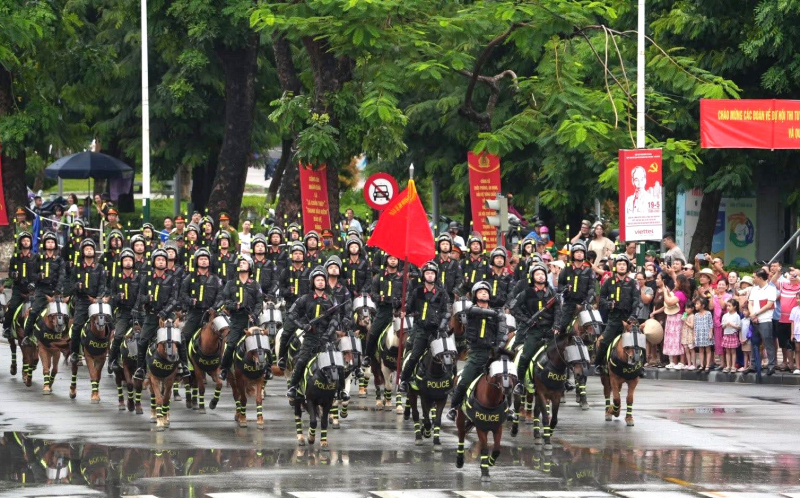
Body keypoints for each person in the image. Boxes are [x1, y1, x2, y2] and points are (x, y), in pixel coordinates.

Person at [283, 267, 339, 400]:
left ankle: (341, 390)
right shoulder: (304, 298)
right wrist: (303, 325)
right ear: (313, 282)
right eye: (317, 280)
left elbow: (336, 318)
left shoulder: (331, 300)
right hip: (310, 337)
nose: (320, 282)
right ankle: (293, 387)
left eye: (322, 280)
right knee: (301, 361)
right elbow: (291, 314)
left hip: (327, 338)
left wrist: (328, 333)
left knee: (337, 362)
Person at [133, 249, 187, 381]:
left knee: (181, 338)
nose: (161, 261)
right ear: (154, 261)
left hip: (168, 315)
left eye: (163, 259)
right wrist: (147, 299)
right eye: (158, 259)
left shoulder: (172, 279)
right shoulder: (146, 278)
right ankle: (141, 368)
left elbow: (174, 299)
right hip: (151, 316)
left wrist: (165, 312)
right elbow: (140, 296)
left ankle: (183, 365)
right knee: (142, 341)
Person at [398, 261, 450, 393]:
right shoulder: (417, 291)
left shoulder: (442, 293)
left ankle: (451, 382)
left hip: (436, 332)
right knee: (414, 356)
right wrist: (404, 311)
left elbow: (446, 312)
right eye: (428, 273)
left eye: (433, 273)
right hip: (421, 330)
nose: (430, 276)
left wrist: (442, 326)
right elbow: (409, 307)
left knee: (447, 355)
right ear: (423, 275)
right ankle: (404, 380)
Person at [509, 263, 561, 394]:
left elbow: (558, 311)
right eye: (537, 274)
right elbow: (513, 307)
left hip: (550, 331)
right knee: (525, 357)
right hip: (534, 331)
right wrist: (526, 320)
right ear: (532, 277)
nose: (541, 276)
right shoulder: (526, 293)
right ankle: (520, 383)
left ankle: (565, 382)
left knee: (561, 355)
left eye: (543, 274)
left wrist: (556, 326)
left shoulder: (552, 293)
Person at [218, 256, 263, 381]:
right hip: (237, 320)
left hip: (252, 320)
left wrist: (254, 314)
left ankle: (268, 368)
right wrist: (235, 305)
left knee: (263, 344)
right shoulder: (230, 283)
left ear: (250, 266)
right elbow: (225, 301)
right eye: (240, 263)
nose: (242, 264)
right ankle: (224, 368)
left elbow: (260, 302)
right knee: (231, 344)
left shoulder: (255, 284)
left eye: (244, 262)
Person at [596, 255, 641, 373]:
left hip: (629, 319)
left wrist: (633, 316)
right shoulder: (608, 281)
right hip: (614, 318)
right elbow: (601, 300)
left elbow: (637, 301)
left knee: (639, 339)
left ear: (627, 267)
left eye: (624, 264)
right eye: (619, 264)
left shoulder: (633, 283)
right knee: (604, 341)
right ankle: (598, 364)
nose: (622, 266)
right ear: (616, 266)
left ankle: (640, 367)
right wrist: (608, 304)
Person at [68, 239, 108, 365]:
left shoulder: (100, 267)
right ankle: (75, 353)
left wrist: (99, 297)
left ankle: (106, 351)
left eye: (91, 248)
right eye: (86, 249)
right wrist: (77, 286)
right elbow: (70, 285)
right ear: (83, 252)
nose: (89, 250)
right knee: (77, 326)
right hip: (82, 301)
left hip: (97, 301)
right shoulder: (77, 267)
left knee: (108, 324)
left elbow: (103, 284)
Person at [22, 232, 66, 341]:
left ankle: (66, 339)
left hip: (55, 292)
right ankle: (27, 336)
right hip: (42, 291)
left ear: (55, 244)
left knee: (65, 313)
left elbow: (62, 275)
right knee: (33, 312)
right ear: (44, 244)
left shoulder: (59, 259)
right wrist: (38, 277)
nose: (50, 244)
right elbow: (32, 274)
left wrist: (57, 289)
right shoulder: (38, 258)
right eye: (48, 242)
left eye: (52, 242)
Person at [364, 254, 403, 365]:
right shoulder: (379, 276)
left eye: (395, 258)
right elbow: (372, 292)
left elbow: (408, 293)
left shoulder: (402, 277)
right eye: (391, 258)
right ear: (386, 260)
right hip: (383, 310)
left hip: (398, 311)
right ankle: (367, 356)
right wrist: (379, 298)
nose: (393, 261)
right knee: (373, 332)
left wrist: (400, 301)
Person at [179, 247, 224, 344]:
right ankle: (183, 359)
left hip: (211, 314)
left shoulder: (216, 279)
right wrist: (190, 301)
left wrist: (214, 308)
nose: (204, 261)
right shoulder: (190, 277)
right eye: (201, 259)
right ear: (196, 261)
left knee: (225, 336)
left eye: (206, 259)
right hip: (194, 313)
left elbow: (221, 296)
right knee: (183, 338)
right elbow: (183, 294)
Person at [107, 248, 142, 373]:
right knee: (118, 336)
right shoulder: (116, 278)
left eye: (129, 260)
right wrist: (117, 297)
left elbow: (140, 295)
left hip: (138, 312)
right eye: (125, 260)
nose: (128, 262)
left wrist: (137, 308)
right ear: (122, 262)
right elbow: (111, 297)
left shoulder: (139, 277)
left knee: (145, 336)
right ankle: (112, 360)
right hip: (123, 312)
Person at [557, 242, 595, 332]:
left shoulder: (589, 271)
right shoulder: (566, 269)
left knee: (594, 329)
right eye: (577, 252)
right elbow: (559, 285)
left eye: (581, 252)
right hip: (569, 304)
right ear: (573, 254)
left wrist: (587, 302)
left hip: (584, 304)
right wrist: (565, 288)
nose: (579, 254)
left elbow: (592, 288)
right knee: (562, 327)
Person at [4, 232, 37, 339]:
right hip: (19, 289)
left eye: (28, 240)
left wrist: (34, 283)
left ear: (31, 243)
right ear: (20, 242)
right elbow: (10, 273)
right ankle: (7, 328)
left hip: (33, 290)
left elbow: (40, 273)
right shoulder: (15, 257)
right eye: (24, 240)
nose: (26, 242)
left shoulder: (36, 257)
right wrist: (14, 275)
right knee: (12, 306)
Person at [749, 269, 777, 375]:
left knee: (768, 342)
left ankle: (771, 365)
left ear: (760, 278)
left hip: (765, 320)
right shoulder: (754, 289)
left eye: (754, 277)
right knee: (754, 343)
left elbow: (769, 305)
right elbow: (750, 303)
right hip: (754, 320)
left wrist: (755, 314)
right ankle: (754, 365)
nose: (753, 279)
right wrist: (752, 315)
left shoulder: (771, 289)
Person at [772, 267, 800, 372]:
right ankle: (786, 362)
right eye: (791, 274)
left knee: (794, 344)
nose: (792, 276)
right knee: (783, 343)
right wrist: (779, 272)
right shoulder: (784, 285)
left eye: (795, 275)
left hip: (794, 321)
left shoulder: (799, 287)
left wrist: (797, 277)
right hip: (782, 319)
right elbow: (773, 281)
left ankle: (793, 364)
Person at [662, 274, 685, 369]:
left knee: (678, 340)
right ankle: (673, 361)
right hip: (671, 317)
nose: (674, 283)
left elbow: (669, 302)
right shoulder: (676, 292)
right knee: (671, 340)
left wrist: (664, 292)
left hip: (678, 317)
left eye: (676, 281)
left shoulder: (681, 293)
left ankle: (682, 362)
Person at [280, 243, 310, 308]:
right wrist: (287, 291)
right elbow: (280, 290)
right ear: (291, 256)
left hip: (305, 306)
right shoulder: (286, 271)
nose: (298, 256)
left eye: (300, 254)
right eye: (296, 253)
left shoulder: (309, 272)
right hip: (289, 305)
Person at [710, 280, 732, 370]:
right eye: (719, 284)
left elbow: (723, 306)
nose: (721, 286)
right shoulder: (714, 296)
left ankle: (729, 364)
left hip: (726, 323)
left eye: (723, 285)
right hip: (716, 322)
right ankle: (722, 364)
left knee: (727, 344)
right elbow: (711, 307)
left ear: (726, 286)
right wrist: (712, 296)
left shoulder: (729, 296)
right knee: (718, 344)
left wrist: (718, 296)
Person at [434, 234, 463, 300]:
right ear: (439, 246)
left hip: (450, 296)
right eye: (443, 244)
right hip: (436, 296)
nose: (445, 246)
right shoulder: (434, 261)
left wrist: (456, 290)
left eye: (447, 244)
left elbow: (460, 279)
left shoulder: (455, 263)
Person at [721, 299, 741, 373]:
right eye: (727, 306)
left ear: (734, 307)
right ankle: (728, 365)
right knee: (727, 351)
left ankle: (733, 366)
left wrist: (732, 325)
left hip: (733, 334)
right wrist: (726, 324)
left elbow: (739, 327)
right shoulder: (725, 315)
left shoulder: (737, 316)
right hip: (726, 334)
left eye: (730, 306)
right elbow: (722, 326)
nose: (728, 307)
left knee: (733, 351)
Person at [693, 297, 714, 371]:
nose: (695, 305)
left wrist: (710, 333)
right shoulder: (696, 315)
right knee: (701, 350)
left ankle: (707, 365)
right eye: (695, 304)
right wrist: (694, 335)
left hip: (706, 333)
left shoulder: (708, 313)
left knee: (708, 350)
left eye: (697, 304)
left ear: (703, 305)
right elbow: (695, 326)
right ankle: (702, 365)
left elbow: (711, 324)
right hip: (699, 334)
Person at [681, 294, 696, 370]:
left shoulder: (692, 316)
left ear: (692, 309)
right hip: (685, 334)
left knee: (691, 349)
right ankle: (689, 363)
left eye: (688, 308)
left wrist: (685, 321)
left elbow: (692, 325)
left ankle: (694, 363)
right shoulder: (686, 315)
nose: (686, 310)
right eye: (685, 308)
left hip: (690, 334)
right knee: (686, 350)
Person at [788, 292, 800, 374]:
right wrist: (792, 334)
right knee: (797, 350)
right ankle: (798, 367)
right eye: (797, 298)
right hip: (797, 333)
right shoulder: (794, 309)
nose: (798, 300)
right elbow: (792, 322)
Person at [738, 306, 753, 373]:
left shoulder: (751, 320)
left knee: (750, 353)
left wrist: (746, 339)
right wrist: (740, 338)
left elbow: (751, 331)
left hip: (748, 340)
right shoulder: (742, 320)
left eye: (746, 310)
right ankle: (745, 366)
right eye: (743, 310)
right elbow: (740, 330)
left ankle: (750, 366)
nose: (744, 312)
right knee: (745, 353)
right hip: (743, 340)